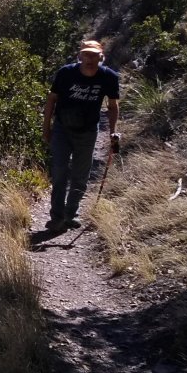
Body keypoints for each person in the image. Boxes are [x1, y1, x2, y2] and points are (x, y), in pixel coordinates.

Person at [42, 39, 120, 232]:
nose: (89, 59)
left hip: (88, 131)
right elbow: (52, 100)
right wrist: (46, 128)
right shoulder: (66, 73)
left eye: (94, 55)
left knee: (80, 174)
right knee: (59, 171)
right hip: (62, 128)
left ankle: (71, 214)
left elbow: (112, 106)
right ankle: (57, 217)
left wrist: (113, 131)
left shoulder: (108, 77)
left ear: (100, 57)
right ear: (80, 56)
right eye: (86, 54)